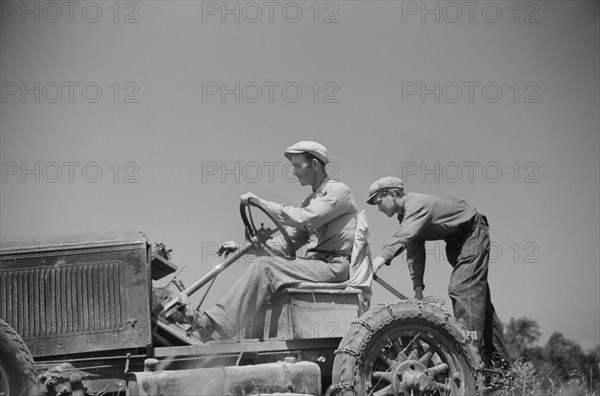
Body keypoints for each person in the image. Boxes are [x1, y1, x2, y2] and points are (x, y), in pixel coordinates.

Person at [195, 141, 358, 340]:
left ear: (315, 165)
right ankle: (237, 337)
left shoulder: (338, 192)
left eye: (299, 166)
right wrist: (243, 248)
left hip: (334, 266)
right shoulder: (310, 201)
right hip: (316, 264)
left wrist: (262, 202)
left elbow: (303, 218)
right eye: (293, 167)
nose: (294, 173)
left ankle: (210, 326)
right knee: (265, 265)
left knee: (265, 267)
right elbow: (284, 244)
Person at [367, 176, 510, 369]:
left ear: (392, 194)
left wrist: (378, 260)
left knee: (461, 290)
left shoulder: (416, 205)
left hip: (471, 233)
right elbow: (414, 251)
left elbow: (404, 236)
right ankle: (501, 368)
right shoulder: (406, 217)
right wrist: (418, 290)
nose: (379, 208)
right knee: (478, 302)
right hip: (457, 243)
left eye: (379, 201)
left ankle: (470, 362)